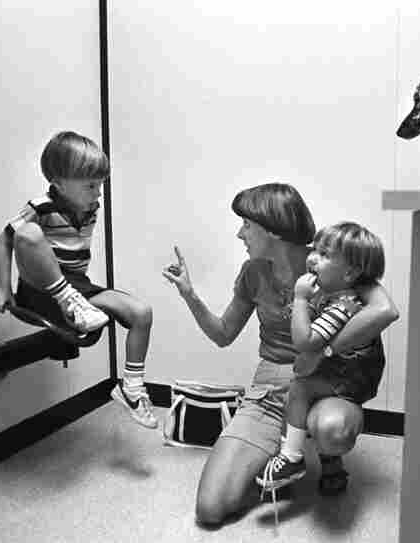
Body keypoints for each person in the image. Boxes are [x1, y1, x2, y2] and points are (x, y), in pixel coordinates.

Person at [161, 182, 399, 525]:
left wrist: (324, 352)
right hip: (269, 390)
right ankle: (285, 453)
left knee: (333, 431)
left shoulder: (329, 260)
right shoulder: (253, 272)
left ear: (271, 229)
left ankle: (323, 454)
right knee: (211, 509)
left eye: (246, 225)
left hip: (325, 384)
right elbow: (223, 335)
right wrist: (189, 294)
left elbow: (385, 311)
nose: (240, 234)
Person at [0, 131, 157, 429]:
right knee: (27, 233)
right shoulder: (40, 207)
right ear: (58, 183)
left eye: (100, 185)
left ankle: (131, 389)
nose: (98, 193)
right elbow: (3, 243)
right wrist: (3, 290)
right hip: (39, 289)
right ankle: (69, 303)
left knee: (141, 313)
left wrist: (79, 293)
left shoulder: (90, 208)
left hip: (77, 286)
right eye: (91, 186)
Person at [256, 221, 387, 491]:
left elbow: (305, 342)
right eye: (315, 249)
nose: (312, 257)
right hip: (340, 371)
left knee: (300, 390)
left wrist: (301, 300)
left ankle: (291, 457)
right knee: (305, 390)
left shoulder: (342, 306)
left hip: (347, 378)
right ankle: (332, 467)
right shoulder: (333, 295)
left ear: (350, 273)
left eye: (325, 255)